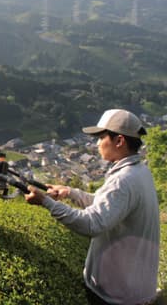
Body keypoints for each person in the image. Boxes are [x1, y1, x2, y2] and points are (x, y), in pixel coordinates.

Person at [25, 109, 160, 305]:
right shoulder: (139, 171)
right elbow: (107, 205)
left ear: (119, 141)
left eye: (101, 137)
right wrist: (70, 192)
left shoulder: (123, 180)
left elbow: (92, 224)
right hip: (133, 288)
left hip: (118, 296)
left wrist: (46, 202)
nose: (96, 144)